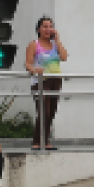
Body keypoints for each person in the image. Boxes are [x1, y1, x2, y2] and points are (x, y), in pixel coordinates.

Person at [26, 16, 69, 151]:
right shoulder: (34, 44)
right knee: (44, 111)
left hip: (56, 80)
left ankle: (45, 141)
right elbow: (27, 64)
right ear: (39, 29)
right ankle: (37, 141)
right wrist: (35, 70)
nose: (48, 29)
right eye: (45, 26)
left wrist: (58, 40)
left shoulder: (55, 45)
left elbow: (64, 57)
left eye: (50, 26)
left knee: (52, 112)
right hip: (40, 81)